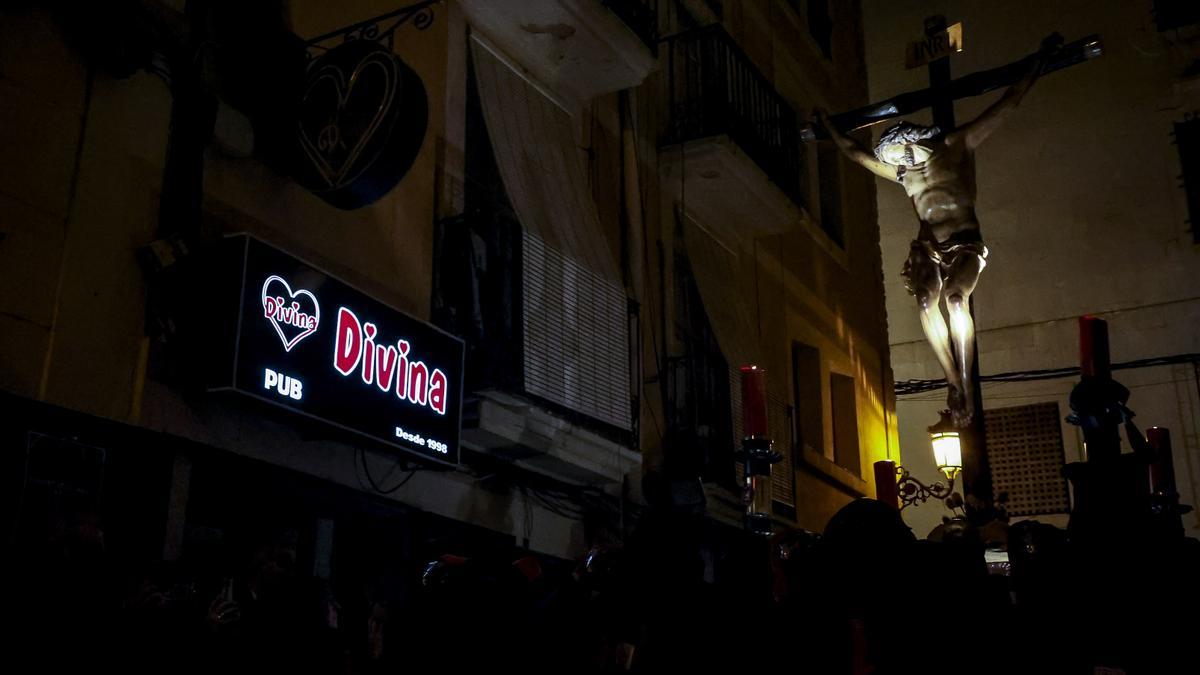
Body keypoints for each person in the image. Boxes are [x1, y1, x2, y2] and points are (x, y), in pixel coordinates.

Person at [817, 35, 1061, 426]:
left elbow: (1008, 103)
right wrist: (827, 126)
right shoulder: (903, 174)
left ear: (912, 141)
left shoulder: (957, 144)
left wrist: (1041, 59)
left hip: (964, 242)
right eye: (897, 161)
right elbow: (854, 154)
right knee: (928, 304)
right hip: (929, 246)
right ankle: (951, 380)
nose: (904, 164)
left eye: (903, 155)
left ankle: (966, 380)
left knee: (955, 300)